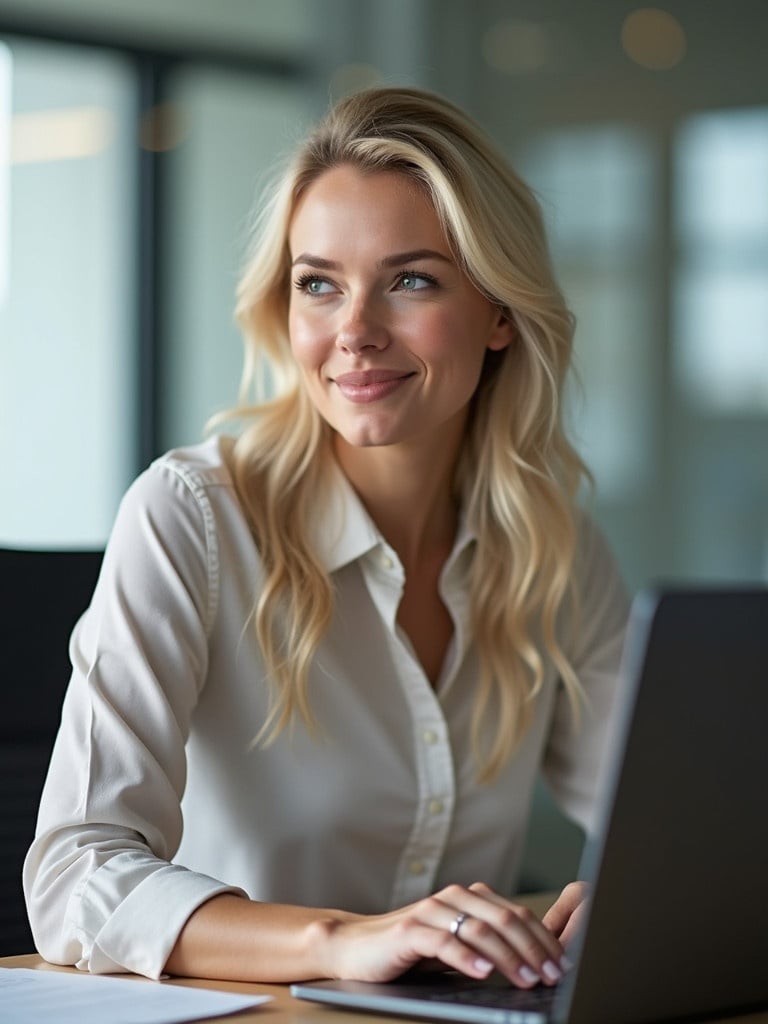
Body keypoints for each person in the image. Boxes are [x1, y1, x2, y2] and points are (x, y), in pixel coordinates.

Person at [23, 86, 628, 989]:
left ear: (501, 313)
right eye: (319, 284)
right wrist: (345, 940)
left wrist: (616, 903)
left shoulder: (549, 545)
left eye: (410, 280)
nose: (354, 333)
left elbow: (672, 826)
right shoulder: (192, 514)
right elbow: (76, 875)